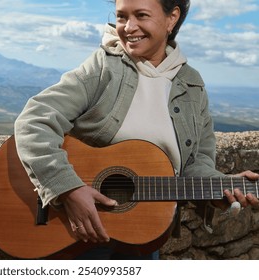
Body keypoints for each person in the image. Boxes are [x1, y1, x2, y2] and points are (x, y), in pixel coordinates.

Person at [14, 0, 259, 259]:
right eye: (121, 17)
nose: (129, 27)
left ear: (171, 18)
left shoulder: (192, 85)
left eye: (141, 15)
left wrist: (219, 187)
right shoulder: (103, 67)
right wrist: (67, 189)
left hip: (142, 233)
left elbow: (195, 162)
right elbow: (34, 120)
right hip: (76, 231)